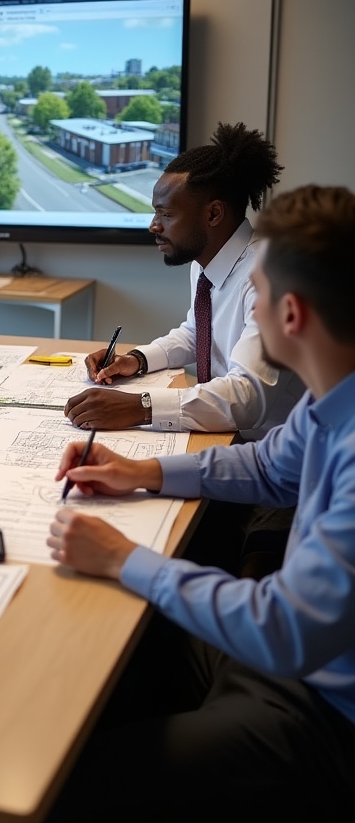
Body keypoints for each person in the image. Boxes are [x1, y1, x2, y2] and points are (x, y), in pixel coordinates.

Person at [46, 185, 355, 821]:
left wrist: (124, 558)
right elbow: (267, 466)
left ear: (290, 315)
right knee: (121, 667)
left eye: (258, 294)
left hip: (323, 717)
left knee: (61, 786)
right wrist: (141, 471)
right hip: (294, 666)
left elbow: (284, 629)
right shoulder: (331, 400)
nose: (250, 309)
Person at [64, 122, 302, 440]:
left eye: (166, 215)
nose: (154, 226)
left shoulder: (271, 278)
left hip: (276, 453)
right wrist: (136, 360)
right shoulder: (206, 261)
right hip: (227, 437)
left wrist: (139, 407)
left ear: (213, 214)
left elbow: (247, 398)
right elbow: (197, 333)